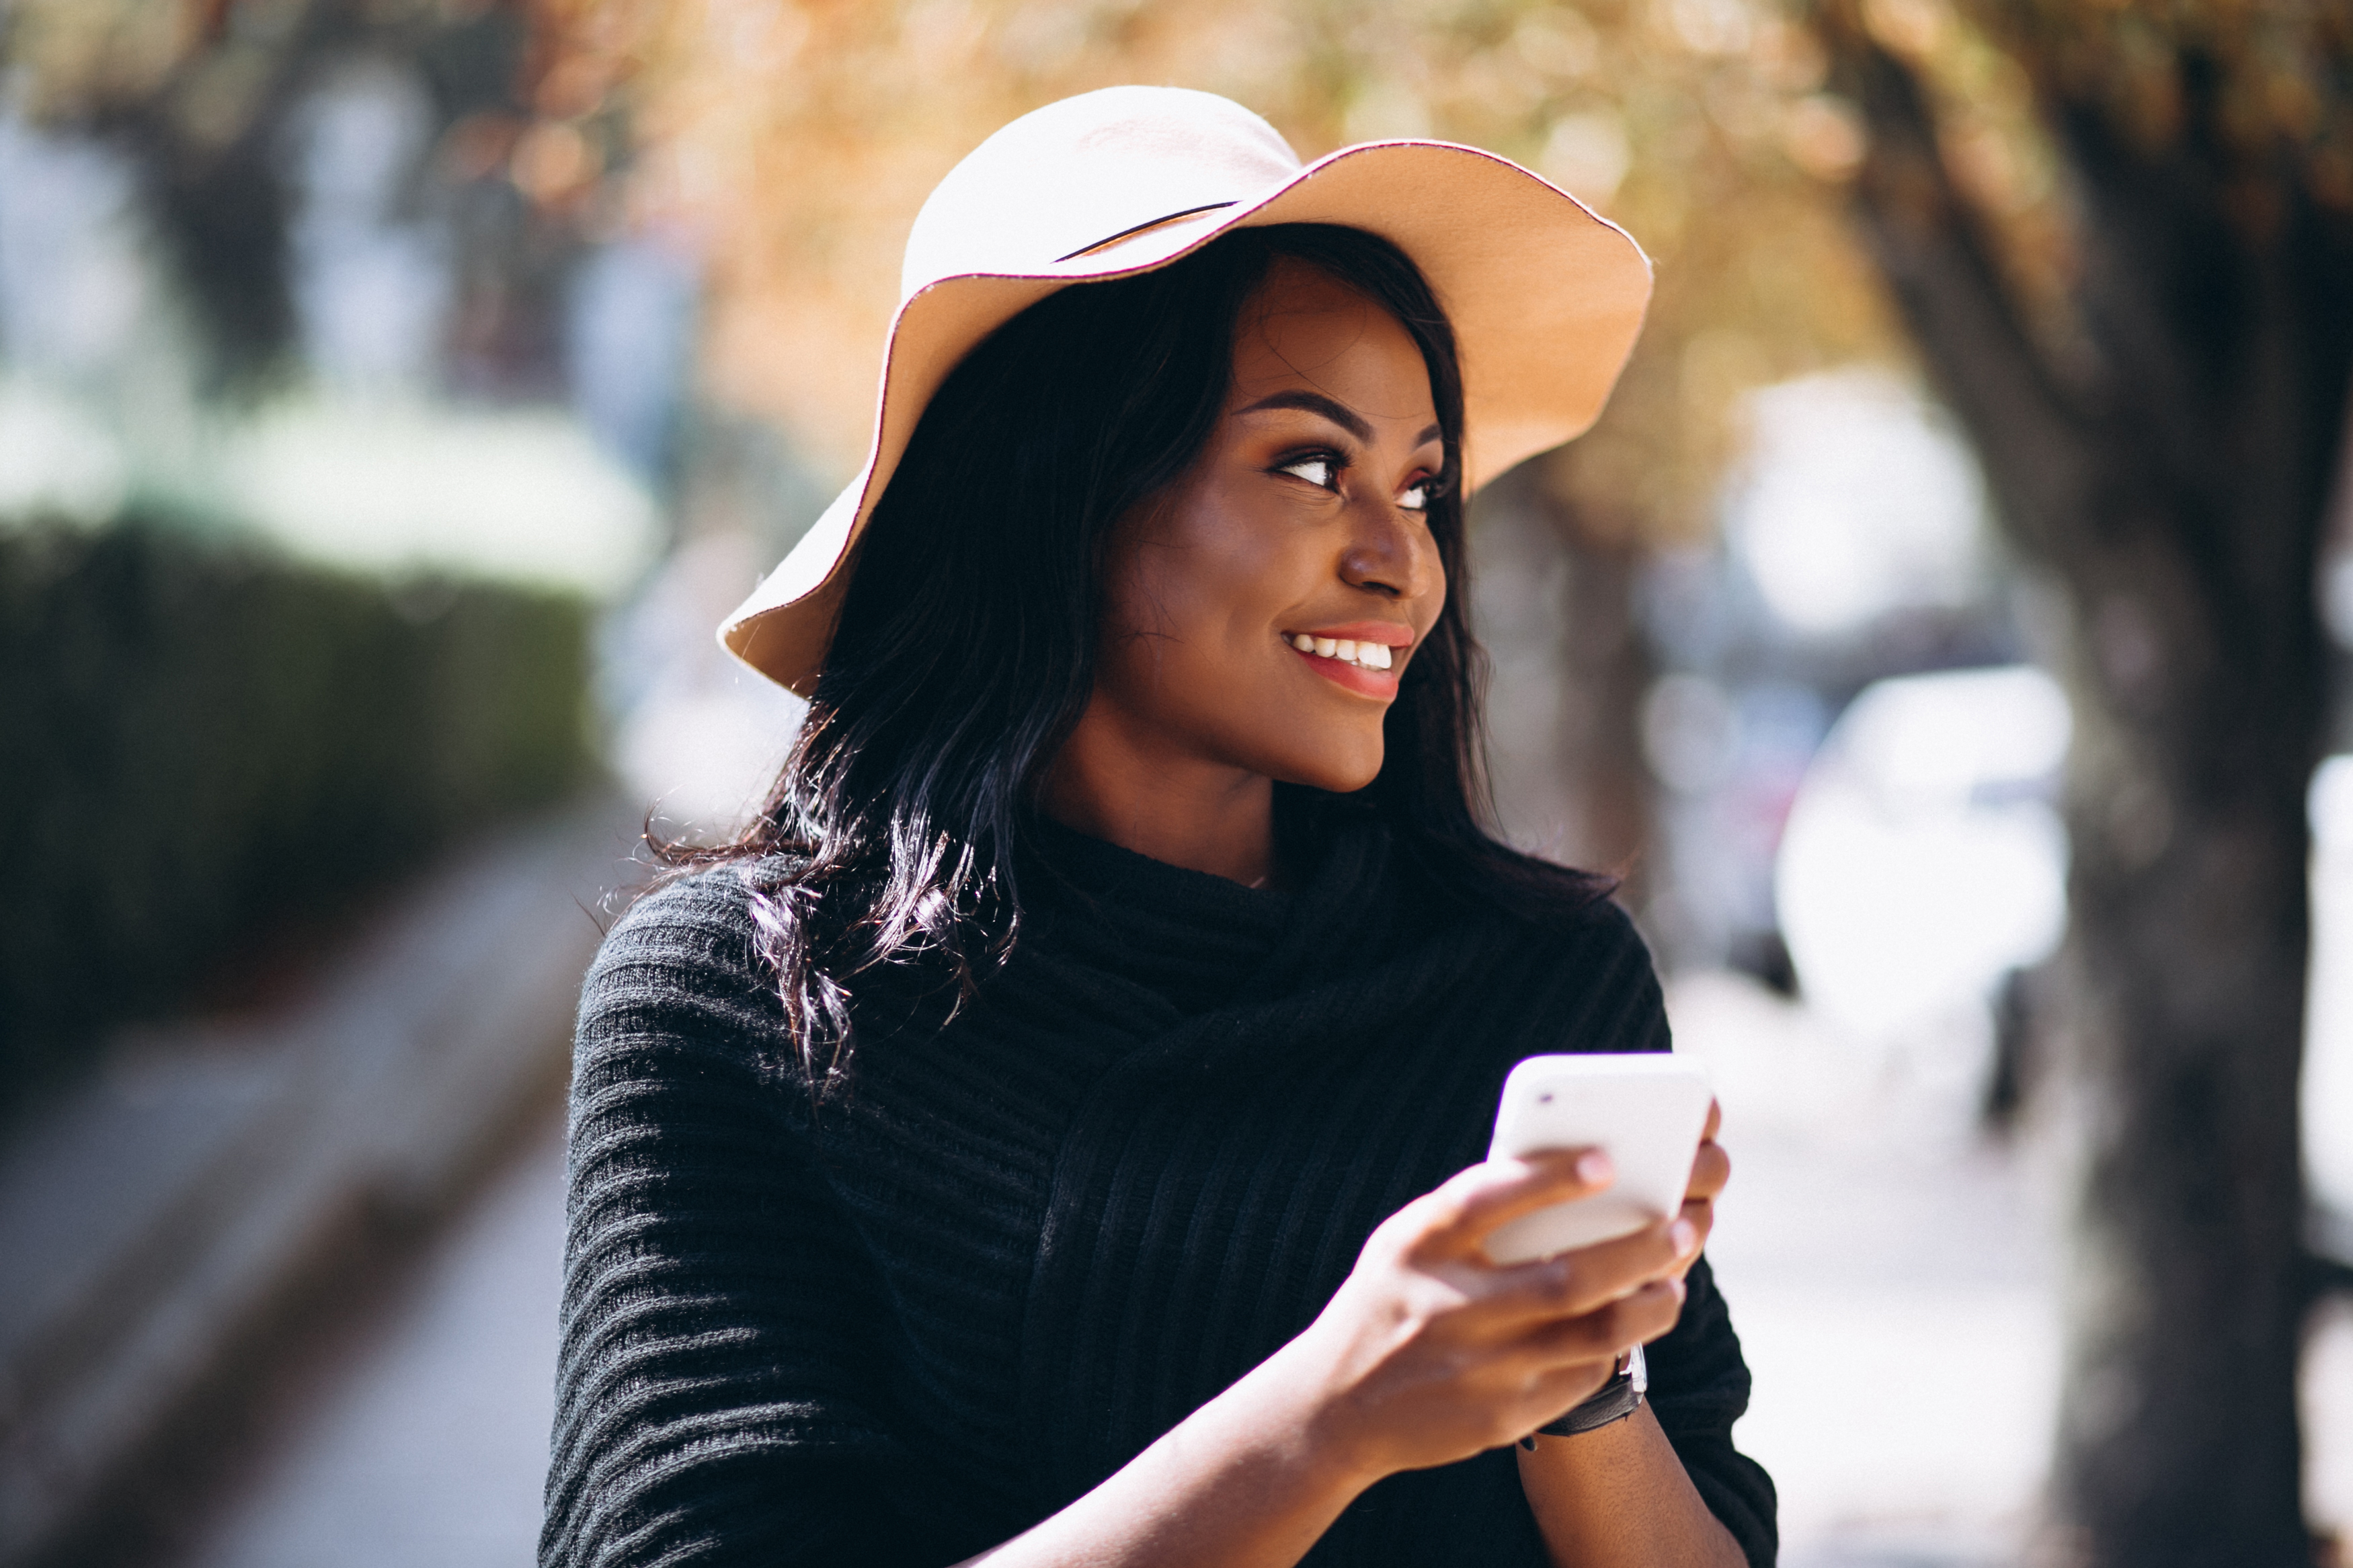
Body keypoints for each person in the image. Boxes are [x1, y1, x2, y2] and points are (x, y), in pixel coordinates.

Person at [542, 87, 1775, 1568]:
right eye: (1312, 465)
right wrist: (1329, 1416)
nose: (1402, 562)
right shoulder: (741, 1008)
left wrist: (1577, 1378)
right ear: (1060, 488)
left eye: (1422, 485)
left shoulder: (1541, 985)